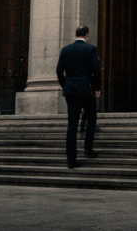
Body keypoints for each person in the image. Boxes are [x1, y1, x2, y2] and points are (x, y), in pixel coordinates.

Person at [55, 25, 101, 168]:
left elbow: (58, 71)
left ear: (76, 36)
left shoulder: (65, 49)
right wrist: (97, 88)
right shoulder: (90, 49)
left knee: (72, 125)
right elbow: (96, 70)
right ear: (86, 35)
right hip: (86, 90)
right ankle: (88, 148)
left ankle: (71, 159)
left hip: (70, 91)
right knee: (91, 118)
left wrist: (65, 85)